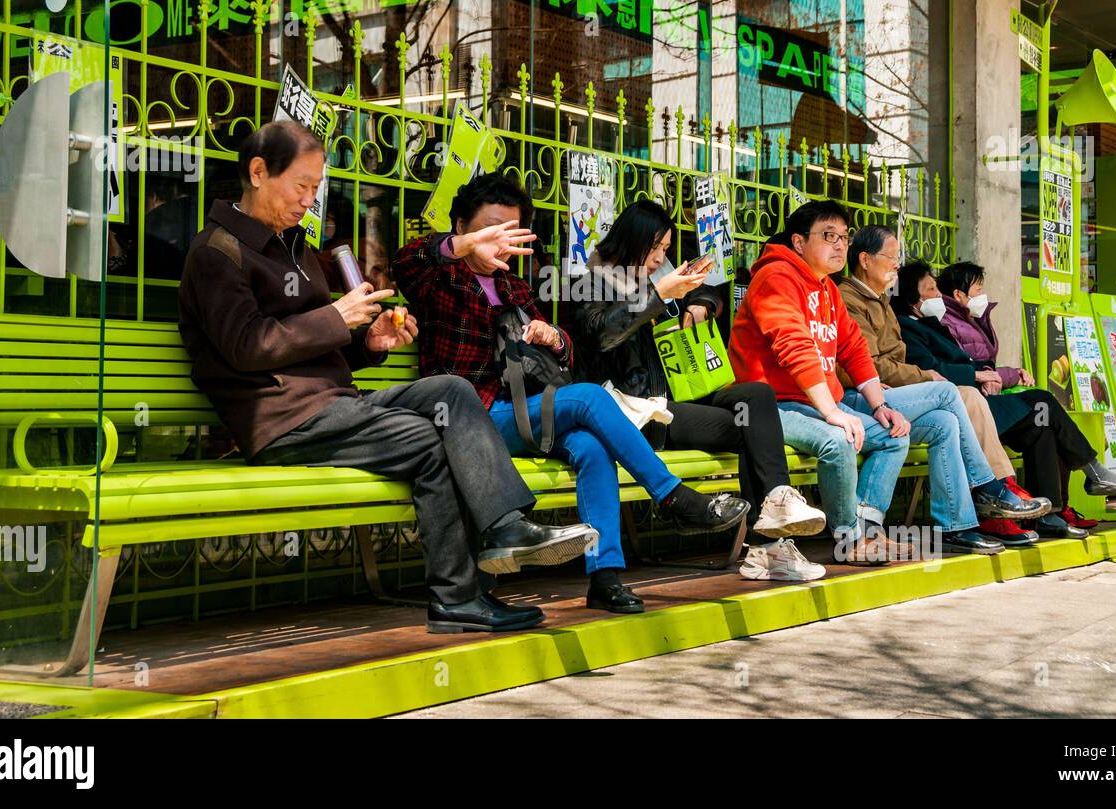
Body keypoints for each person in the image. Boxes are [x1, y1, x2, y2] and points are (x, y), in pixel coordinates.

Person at [178, 120, 596, 635]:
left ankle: (504, 530)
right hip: (281, 419)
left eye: (316, 186)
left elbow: (308, 346)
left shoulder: (291, 246)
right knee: (431, 439)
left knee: (451, 389)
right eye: (301, 185)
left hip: (333, 405)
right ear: (258, 172)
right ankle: (461, 595)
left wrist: (367, 341)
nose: (311, 200)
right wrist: (337, 317)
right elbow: (248, 346)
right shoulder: (216, 252)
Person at [393, 173, 749, 615]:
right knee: (586, 399)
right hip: (471, 420)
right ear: (461, 227)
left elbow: (567, 349)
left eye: (510, 231)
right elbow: (406, 261)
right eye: (489, 230)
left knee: (591, 445)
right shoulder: (439, 279)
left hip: (523, 412)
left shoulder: (513, 286)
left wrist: (553, 338)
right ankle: (673, 498)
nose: (500, 242)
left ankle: (604, 578)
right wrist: (460, 249)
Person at [728, 200, 1042, 564]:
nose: (839, 245)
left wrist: (879, 407)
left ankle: (877, 530)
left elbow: (854, 350)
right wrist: (833, 411)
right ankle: (853, 538)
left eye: (844, 237)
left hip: (821, 403)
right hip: (774, 406)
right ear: (799, 242)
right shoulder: (776, 277)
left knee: (910, 431)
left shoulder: (826, 289)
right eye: (829, 236)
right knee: (848, 435)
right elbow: (793, 345)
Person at [573, 200, 827, 583]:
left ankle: (777, 500)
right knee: (750, 430)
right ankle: (768, 549)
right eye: (655, 249)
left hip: (685, 389)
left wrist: (700, 303)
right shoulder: (589, 280)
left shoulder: (657, 276)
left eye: (665, 250)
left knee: (756, 396)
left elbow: (708, 292)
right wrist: (658, 293)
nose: (661, 258)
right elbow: (602, 336)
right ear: (632, 242)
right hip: (641, 409)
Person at [896, 260, 1116, 537]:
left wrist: (985, 375)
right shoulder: (912, 327)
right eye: (930, 290)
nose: (936, 295)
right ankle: (1093, 472)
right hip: (966, 405)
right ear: (913, 299)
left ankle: (1049, 515)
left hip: (980, 398)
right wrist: (981, 376)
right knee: (1043, 402)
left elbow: (971, 364)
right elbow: (933, 368)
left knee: (1042, 424)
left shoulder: (935, 323)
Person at [840, 227, 1052, 547]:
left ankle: (954, 524)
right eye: (891, 257)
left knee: (945, 422)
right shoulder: (848, 298)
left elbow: (888, 363)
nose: (897, 264)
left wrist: (924, 375)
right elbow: (869, 366)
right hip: (858, 397)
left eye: (899, 258)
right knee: (949, 391)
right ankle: (989, 487)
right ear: (866, 260)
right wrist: (927, 376)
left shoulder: (879, 300)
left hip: (886, 392)